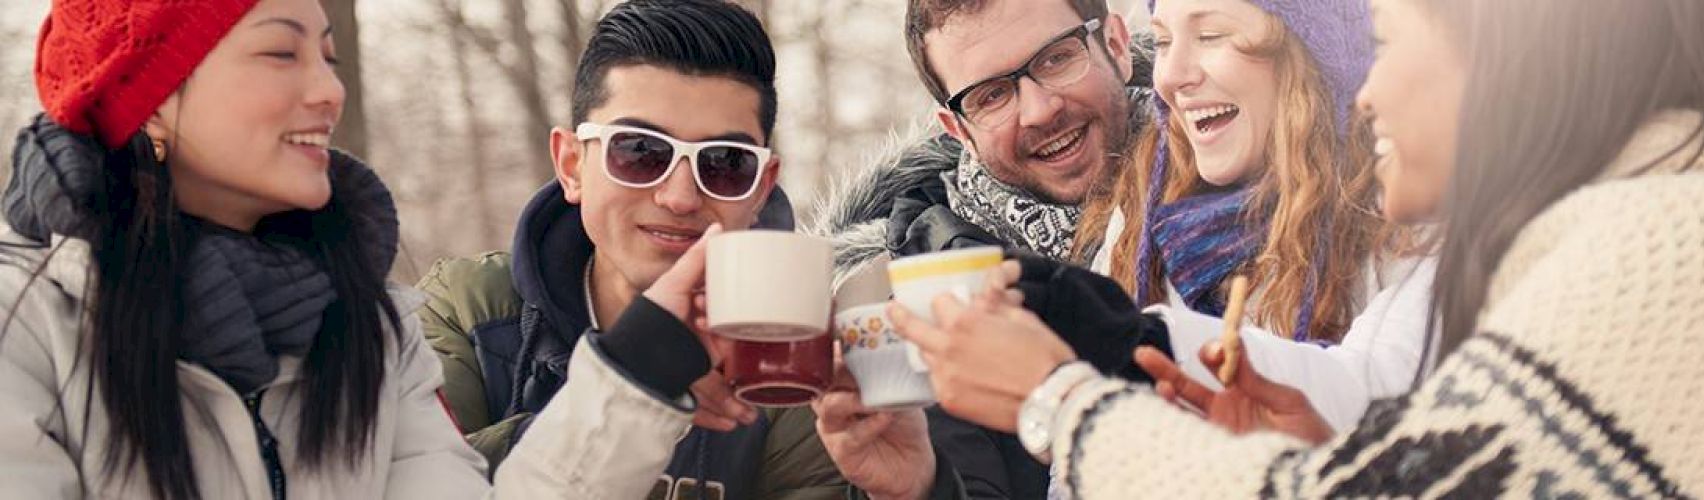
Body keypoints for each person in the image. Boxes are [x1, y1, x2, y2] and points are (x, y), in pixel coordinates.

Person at [887, 0, 1704, 496]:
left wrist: (1064, 396)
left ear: (1512, 52)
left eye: (1386, 46)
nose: (1370, 89)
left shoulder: (1674, 247)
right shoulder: (1607, 234)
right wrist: (1320, 437)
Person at [0, 0, 723, 498]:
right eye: (281, 52)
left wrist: (640, 365)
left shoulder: (366, 328)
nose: (328, 90)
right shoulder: (27, 327)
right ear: (149, 93)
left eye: (329, 55)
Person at [419, 1, 962, 499]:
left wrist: (916, 492)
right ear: (571, 165)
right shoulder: (467, 309)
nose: (679, 197)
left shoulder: (788, 356)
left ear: (762, 186)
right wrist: (638, 379)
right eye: (639, 152)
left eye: (726, 163)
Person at [801, 1, 1163, 497]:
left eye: (1057, 58)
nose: (1039, 110)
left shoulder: (1264, 206)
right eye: (992, 96)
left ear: (1118, 47)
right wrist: (918, 489)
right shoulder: (916, 303)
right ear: (959, 132)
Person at [1072, 0, 1434, 436]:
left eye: (1210, 37)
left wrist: (1145, 338)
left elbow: (1379, 395)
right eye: (1164, 42)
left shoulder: (1398, 215)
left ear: (1311, 51)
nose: (1170, 75)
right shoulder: (1144, 211)